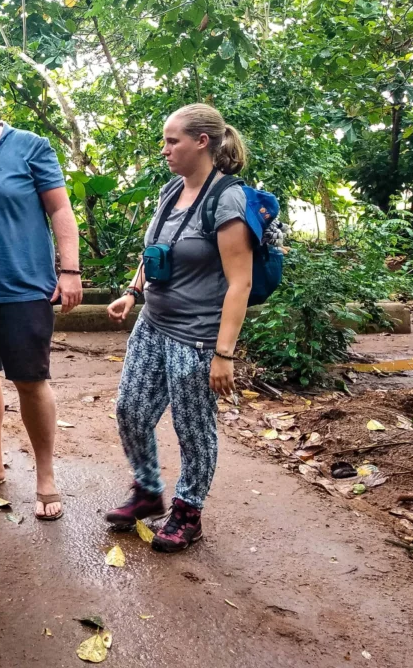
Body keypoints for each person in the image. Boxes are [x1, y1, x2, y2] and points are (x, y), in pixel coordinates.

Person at [104, 103, 253, 553]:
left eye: (173, 141)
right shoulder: (172, 190)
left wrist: (223, 353)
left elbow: (240, 280)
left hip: (196, 335)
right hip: (153, 324)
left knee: (192, 428)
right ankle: (149, 491)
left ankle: (189, 511)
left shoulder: (226, 198)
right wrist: (133, 292)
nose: (165, 149)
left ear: (202, 142)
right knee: (130, 410)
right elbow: (155, 251)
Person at [0, 73, 82, 521]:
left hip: (24, 288)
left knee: (30, 380)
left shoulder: (31, 147)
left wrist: (70, 271)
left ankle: (45, 474)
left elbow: (60, 209)